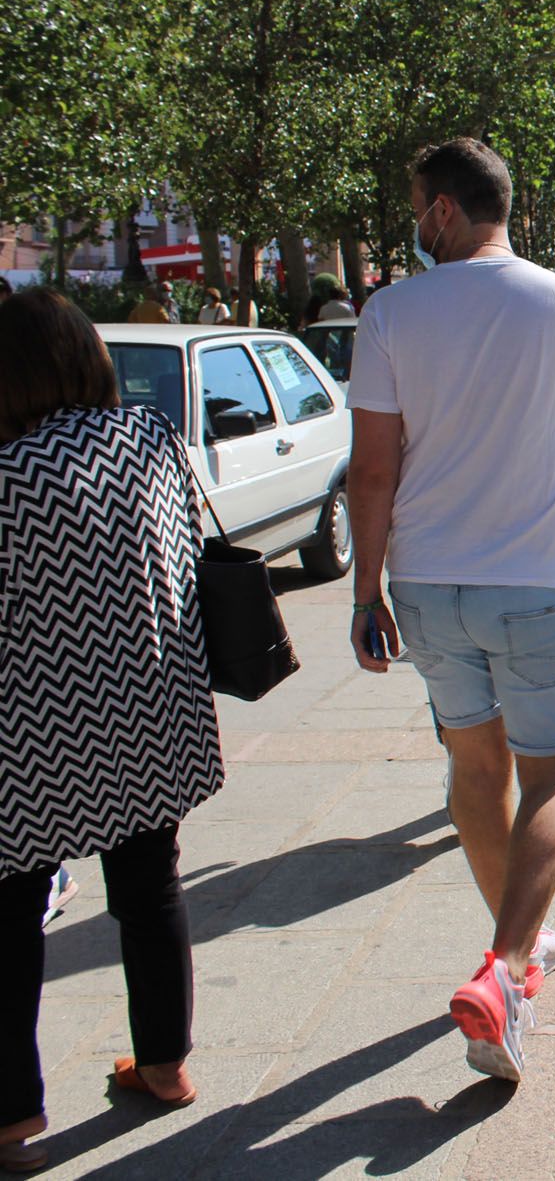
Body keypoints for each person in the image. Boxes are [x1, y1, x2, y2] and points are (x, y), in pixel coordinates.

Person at [345, 138, 555, 1083]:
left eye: (415, 204)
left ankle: (512, 949)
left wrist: (364, 590)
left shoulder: (390, 312)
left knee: (475, 766)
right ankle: (509, 965)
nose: (412, 219)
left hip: (430, 585)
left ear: (443, 209)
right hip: (535, 583)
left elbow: (374, 470)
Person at [0, 291, 225, 1172]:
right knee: (150, 887)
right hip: (145, 709)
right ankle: (166, 1064)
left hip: (32, 729)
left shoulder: (9, 470)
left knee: (11, 914)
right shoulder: (149, 439)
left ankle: (14, 1116)